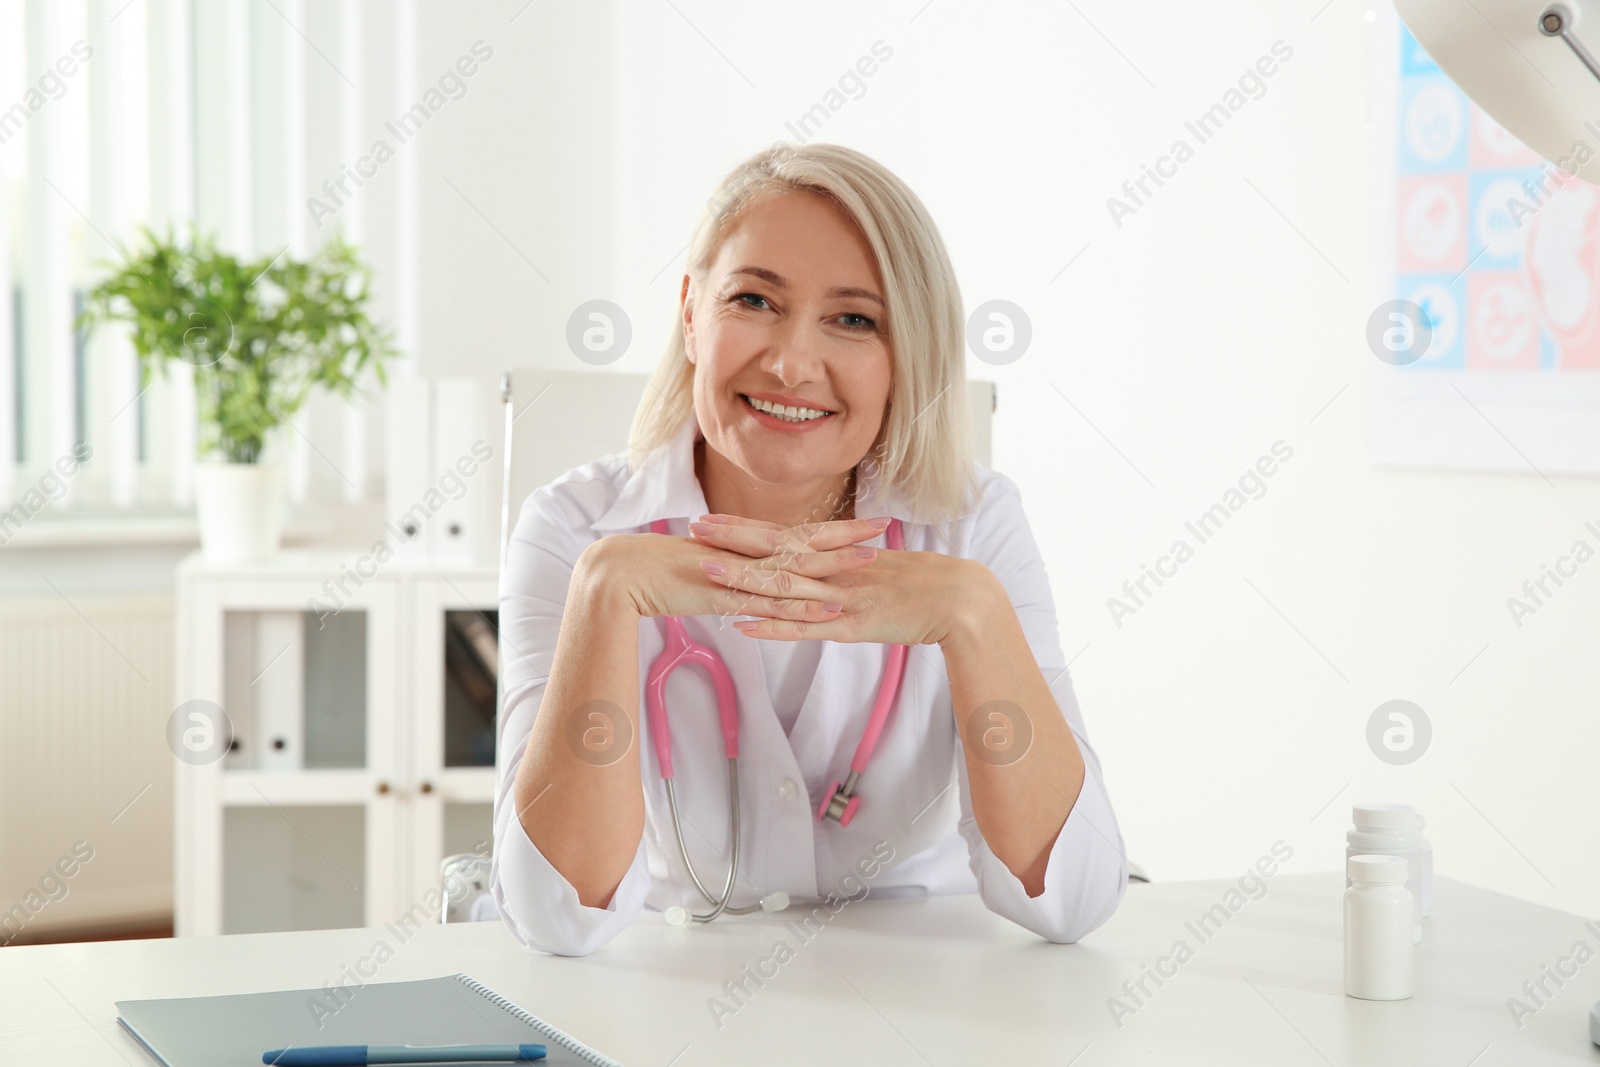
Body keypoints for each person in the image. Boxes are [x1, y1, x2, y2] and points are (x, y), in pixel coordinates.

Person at [492, 142, 1127, 957]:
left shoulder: (973, 525)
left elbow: (1070, 899)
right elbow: (555, 916)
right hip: (669, 996)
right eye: (754, 300)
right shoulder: (574, 530)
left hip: (924, 1000)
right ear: (691, 314)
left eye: (854, 319)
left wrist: (972, 615)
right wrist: (603, 597)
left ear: (907, 357)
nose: (792, 363)